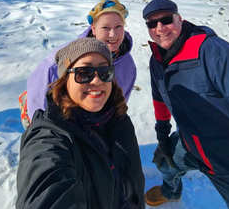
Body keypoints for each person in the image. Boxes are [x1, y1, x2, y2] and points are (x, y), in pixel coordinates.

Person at [142, 0, 229, 208]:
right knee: (165, 165)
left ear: (180, 20)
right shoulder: (157, 59)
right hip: (190, 145)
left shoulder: (213, 52)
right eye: (152, 23)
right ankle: (171, 192)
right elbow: (160, 99)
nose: (160, 28)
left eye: (166, 20)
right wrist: (163, 137)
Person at [16, 38, 145, 209]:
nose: (97, 80)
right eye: (84, 73)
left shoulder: (119, 118)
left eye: (105, 71)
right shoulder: (50, 136)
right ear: (64, 81)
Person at [24, 0, 136, 125]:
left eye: (118, 26)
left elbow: (120, 104)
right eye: (105, 27)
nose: (113, 34)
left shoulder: (127, 64)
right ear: (93, 28)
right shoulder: (61, 60)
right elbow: (38, 104)